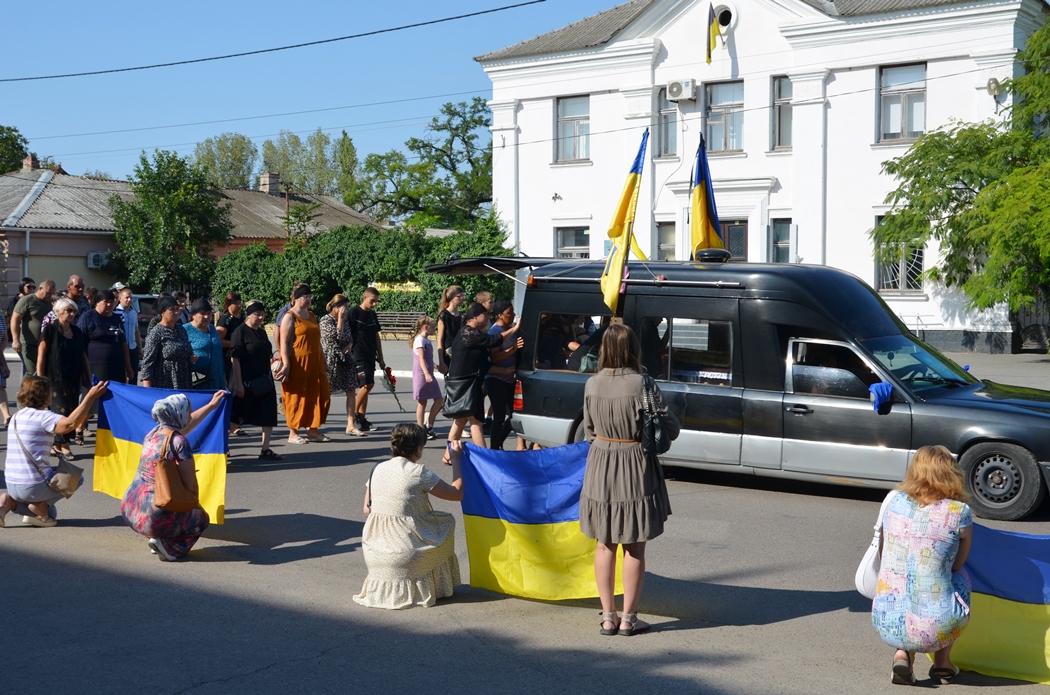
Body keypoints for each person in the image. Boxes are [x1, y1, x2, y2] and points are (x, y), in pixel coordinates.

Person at [580, 323, 679, 637]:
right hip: (635, 462)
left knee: (604, 544)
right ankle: (629, 619)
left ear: (604, 350)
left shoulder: (592, 384)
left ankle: (608, 616)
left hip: (601, 462)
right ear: (633, 349)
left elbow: (589, 431)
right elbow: (670, 428)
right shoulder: (643, 384)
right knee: (634, 547)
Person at [872, 445, 973, 685]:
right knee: (961, 578)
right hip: (938, 626)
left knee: (901, 579)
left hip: (885, 618)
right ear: (951, 472)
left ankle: (902, 654)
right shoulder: (959, 512)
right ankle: (942, 664)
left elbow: (883, 552)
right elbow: (958, 564)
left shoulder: (894, 502)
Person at [353, 424, 464, 609]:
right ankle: (439, 585)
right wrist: (457, 460)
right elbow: (457, 494)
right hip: (405, 554)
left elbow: (367, 509)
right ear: (419, 448)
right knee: (447, 522)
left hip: (375, 552)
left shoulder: (377, 469)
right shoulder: (419, 473)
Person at [120, 391, 226, 561]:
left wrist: (211, 406)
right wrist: (194, 506)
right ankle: (169, 549)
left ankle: (158, 539)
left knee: (169, 508)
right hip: (153, 517)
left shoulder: (152, 434)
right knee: (200, 518)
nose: (189, 415)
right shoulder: (179, 443)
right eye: (187, 411)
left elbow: (186, 425)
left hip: (130, 509)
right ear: (179, 414)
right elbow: (190, 485)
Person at [0, 377, 108, 527]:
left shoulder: (16, 417)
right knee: (76, 478)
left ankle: (7, 503)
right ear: (44, 395)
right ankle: (39, 507)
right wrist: (90, 396)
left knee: (51, 511)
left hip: (11, 484)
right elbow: (70, 423)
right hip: (32, 485)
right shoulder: (44, 417)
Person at [444, 303, 521, 456]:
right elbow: (493, 340)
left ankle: (448, 455)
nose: (488, 317)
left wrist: (505, 370)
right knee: (475, 422)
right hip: (464, 385)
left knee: (461, 421)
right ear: (474, 317)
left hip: (469, 383)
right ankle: (486, 457)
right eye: (485, 314)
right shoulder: (468, 332)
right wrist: (515, 329)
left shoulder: (474, 334)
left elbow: (485, 364)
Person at [274, 283, 331, 444]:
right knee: (296, 397)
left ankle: (313, 430)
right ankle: (293, 432)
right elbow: (283, 343)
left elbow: (317, 341)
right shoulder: (289, 316)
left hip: (315, 362)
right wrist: (285, 363)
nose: (309, 300)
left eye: (310, 297)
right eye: (306, 297)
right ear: (297, 298)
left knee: (320, 396)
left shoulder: (311, 315)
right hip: (298, 362)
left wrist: (324, 361)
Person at [36, 297, 91, 460]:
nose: (72, 314)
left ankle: (56, 444)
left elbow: (83, 354)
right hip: (54, 378)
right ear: (58, 312)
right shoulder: (50, 330)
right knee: (60, 412)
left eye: (74, 311)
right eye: (68, 310)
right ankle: (64, 445)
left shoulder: (77, 331)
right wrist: (41, 379)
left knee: (73, 410)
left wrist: (87, 374)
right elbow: (41, 355)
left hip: (73, 377)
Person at [230, 301, 282, 460]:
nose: (260, 317)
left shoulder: (261, 332)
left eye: (262, 314)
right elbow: (235, 359)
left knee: (268, 413)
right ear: (249, 314)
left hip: (264, 380)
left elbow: (264, 352)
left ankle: (265, 449)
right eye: (256, 314)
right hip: (246, 381)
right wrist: (239, 384)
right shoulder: (240, 332)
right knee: (236, 416)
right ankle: (222, 448)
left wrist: (274, 363)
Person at [319, 293, 364, 437]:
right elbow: (337, 337)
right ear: (336, 307)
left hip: (346, 359)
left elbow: (349, 337)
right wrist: (339, 319)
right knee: (325, 391)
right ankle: (315, 423)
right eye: (344, 307)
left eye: (347, 307)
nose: (346, 310)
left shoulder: (345, 320)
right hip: (331, 359)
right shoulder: (325, 321)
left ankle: (350, 425)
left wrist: (350, 345)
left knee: (351, 389)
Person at [484, 301, 523, 450]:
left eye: (513, 313)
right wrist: (512, 349)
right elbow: (494, 357)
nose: (512, 316)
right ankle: (494, 447)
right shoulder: (495, 331)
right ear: (500, 315)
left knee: (515, 415)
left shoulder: (511, 329)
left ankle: (499, 441)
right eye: (509, 313)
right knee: (499, 416)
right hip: (495, 379)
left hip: (510, 379)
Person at [349, 287, 386, 432]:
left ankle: (361, 419)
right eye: (372, 301)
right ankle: (352, 416)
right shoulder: (353, 312)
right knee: (367, 384)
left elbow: (376, 336)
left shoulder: (372, 314)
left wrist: (381, 357)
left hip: (371, 354)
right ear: (364, 298)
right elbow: (347, 333)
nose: (374, 304)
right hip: (358, 353)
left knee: (367, 386)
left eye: (376, 301)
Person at [140, 295, 196, 390]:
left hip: (184, 381)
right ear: (162, 312)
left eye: (177, 309)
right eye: (172, 309)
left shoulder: (181, 329)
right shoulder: (156, 333)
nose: (176, 312)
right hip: (165, 382)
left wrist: (191, 357)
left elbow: (186, 349)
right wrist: (147, 391)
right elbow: (147, 363)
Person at [78, 289, 133, 385]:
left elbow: (123, 342)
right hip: (95, 366)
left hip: (117, 366)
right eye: (106, 301)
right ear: (97, 303)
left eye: (111, 302)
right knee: (96, 396)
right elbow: (78, 342)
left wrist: (128, 367)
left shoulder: (117, 318)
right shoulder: (88, 317)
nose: (109, 304)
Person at [11, 279, 56, 376]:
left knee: (42, 372)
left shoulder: (49, 303)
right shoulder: (27, 300)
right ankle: (24, 391)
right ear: (40, 289)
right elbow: (15, 319)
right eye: (48, 293)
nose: (49, 296)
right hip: (29, 343)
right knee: (31, 372)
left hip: (44, 344)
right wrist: (15, 340)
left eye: (52, 293)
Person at [410, 316, 442, 440]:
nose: (434, 329)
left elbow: (428, 359)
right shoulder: (420, 340)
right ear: (426, 327)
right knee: (422, 402)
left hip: (428, 373)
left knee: (439, 400)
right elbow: (421, 359)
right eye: (433, 327)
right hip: (422, 374)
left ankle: (429, 424)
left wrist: (435, 366)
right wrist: (427, 374)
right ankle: (420, 429)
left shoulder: (426, 340)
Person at [184, 299, 225, 390]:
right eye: (202, 314)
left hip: (217, 378)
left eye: (209, 313)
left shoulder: (212, 328)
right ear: (193, 315)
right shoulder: (185, 330)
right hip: (199, 381)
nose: (206, 317)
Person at [114, 287, 143, 382]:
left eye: (130, 297)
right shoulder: (115, 313)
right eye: (127, 297)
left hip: (132, 347)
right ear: (120, 298)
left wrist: (139, 348)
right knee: (121, 375)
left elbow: (136, 330)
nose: (129, 300)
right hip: (121, 349)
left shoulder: (133, 313)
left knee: (134, 375)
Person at [436, 285, 465, 375]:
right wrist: (441, 361)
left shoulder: (460, 315)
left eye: (463, 295)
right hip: (448, 354)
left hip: (459, 353)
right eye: (459, 296)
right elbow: (440, 339)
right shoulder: (444, 315)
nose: (462, 298)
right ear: (452, 297)